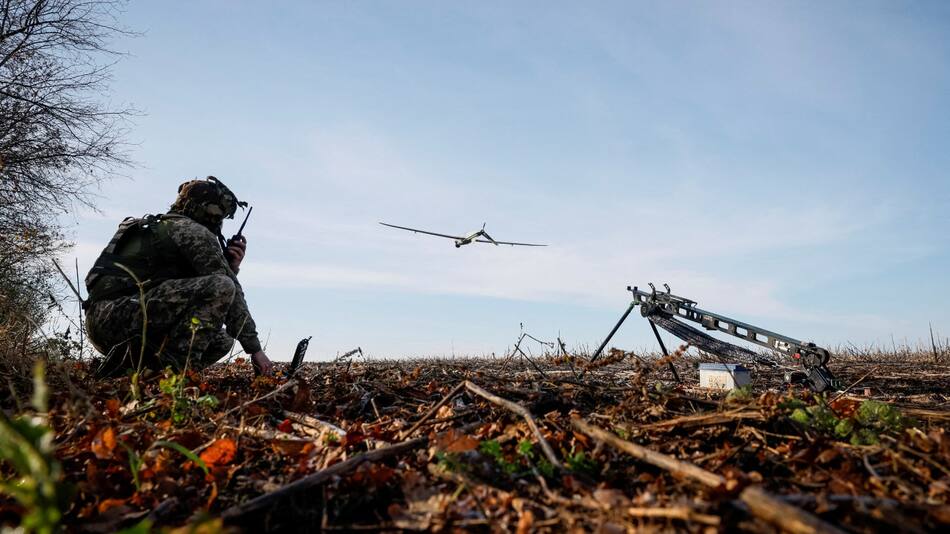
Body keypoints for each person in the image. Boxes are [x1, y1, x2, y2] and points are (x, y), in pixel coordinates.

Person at [83, 177, 273, 377]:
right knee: (222, 285)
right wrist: (255, 350)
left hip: (103, 322)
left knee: (222, 340)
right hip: (123, 319)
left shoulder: (155, 226)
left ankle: (136, 373)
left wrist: (230, 267)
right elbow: (225, 290)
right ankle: (173, 376)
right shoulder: (191, 230)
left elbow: (183, 292)